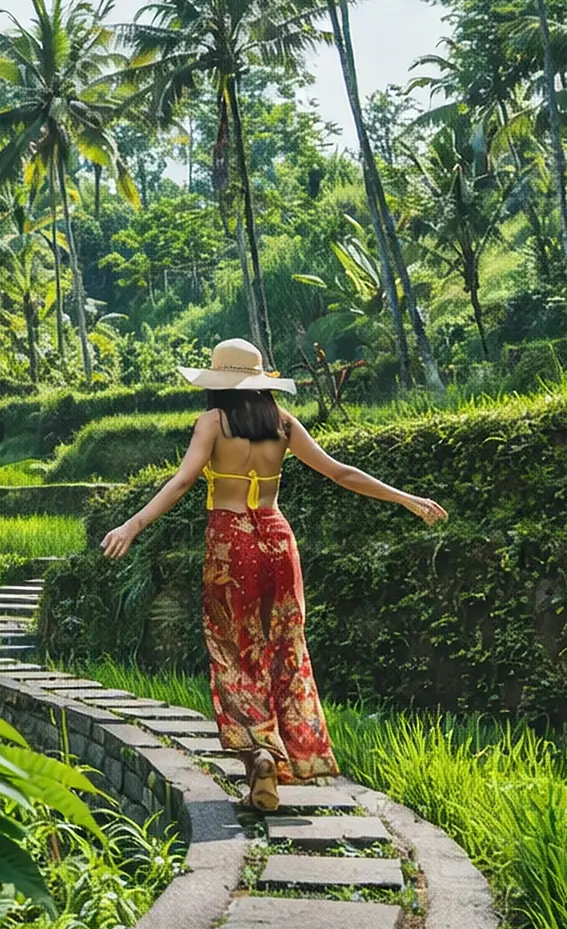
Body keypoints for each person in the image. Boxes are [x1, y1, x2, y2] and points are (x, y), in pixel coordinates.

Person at [99, 338, 447, 812]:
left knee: (234, 647)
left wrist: (131, 525)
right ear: (262, 382)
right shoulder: (283, 423)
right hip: (278, 540)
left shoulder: (213, 422)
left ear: (218, 382)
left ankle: (260, 754)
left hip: (230, 542)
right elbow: (341, 472)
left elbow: (182, 481)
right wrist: (407, 498)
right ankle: (282, 759)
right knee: (283, 646)